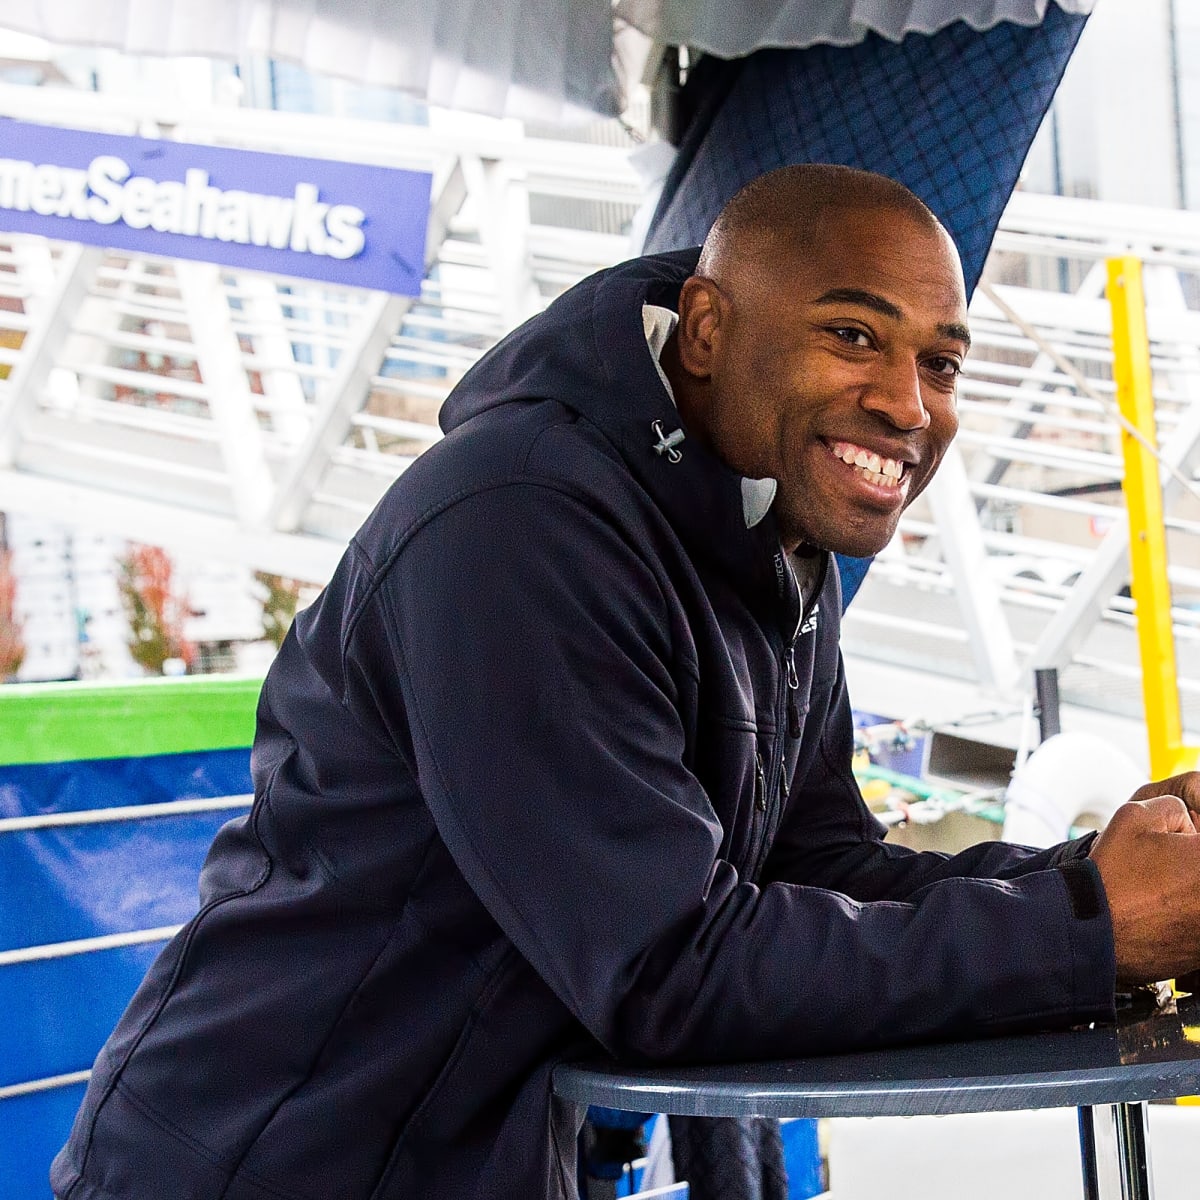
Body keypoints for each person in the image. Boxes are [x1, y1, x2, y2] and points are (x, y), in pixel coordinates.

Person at [53, 164, 1200, 1200]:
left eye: (940, 362)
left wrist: (1108, 876)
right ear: (705, 329)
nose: (910, 404)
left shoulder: (772, 534)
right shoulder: (522, 521)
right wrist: (1089, 931)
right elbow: (664, 968)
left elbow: (819, 869)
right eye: (854, 336)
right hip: (265, 1163)